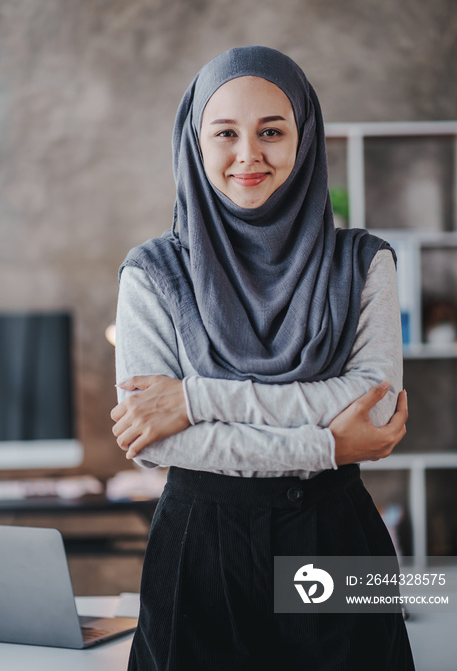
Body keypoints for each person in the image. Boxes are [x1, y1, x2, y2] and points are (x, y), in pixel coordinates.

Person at [111, 46, 414, 670]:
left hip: (338, 542)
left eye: (271, 131)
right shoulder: (152, 273)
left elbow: (373, 404)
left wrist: (195, 400)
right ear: (195, 145)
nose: (249, 154)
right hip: (200, 544)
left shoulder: (364, 262)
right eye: (225, 133)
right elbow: (157, 442)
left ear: (304, 139)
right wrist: (327, 446)